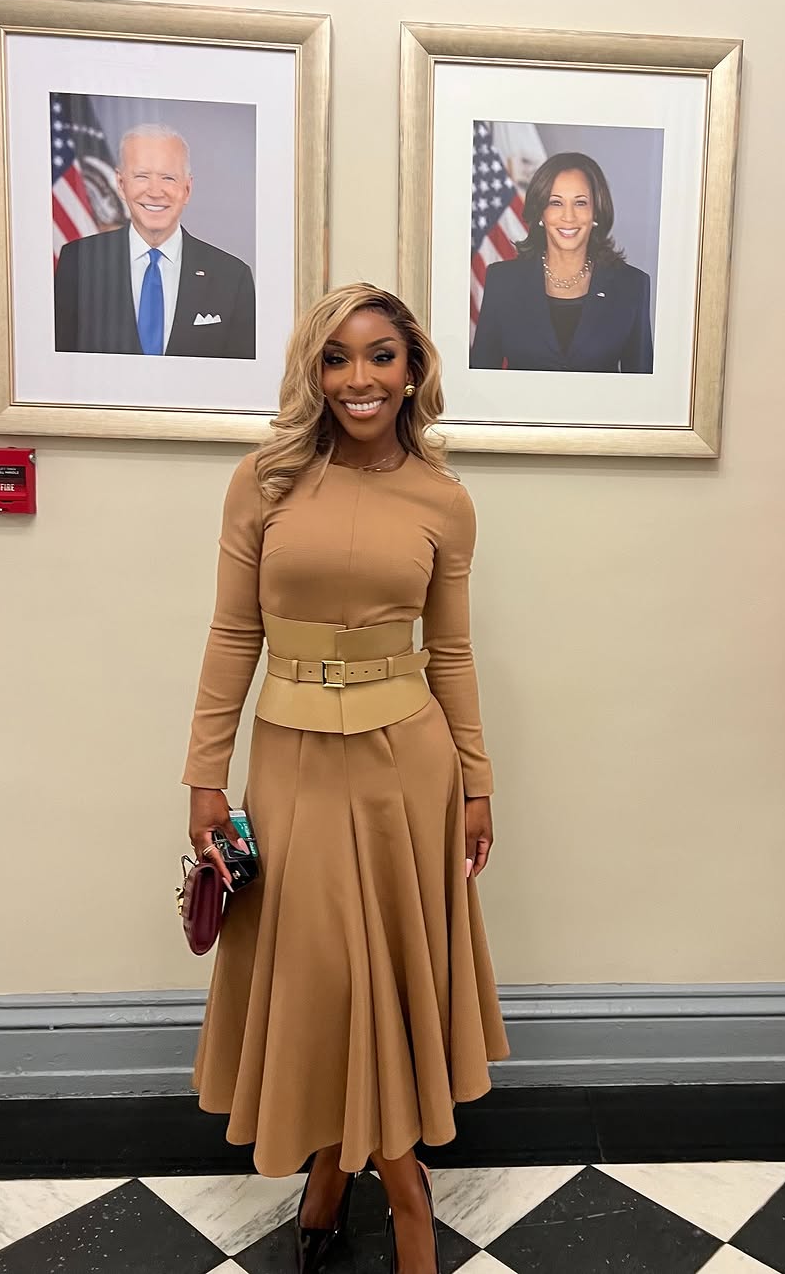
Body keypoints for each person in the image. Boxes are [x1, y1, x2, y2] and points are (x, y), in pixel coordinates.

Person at [182, 282, 508, 1274]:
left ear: (412, 370)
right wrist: (205, 771)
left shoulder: (445, 500)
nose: (357, 378)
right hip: (289, 762)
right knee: (323, 975)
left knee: (385, 977)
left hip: (408, 767)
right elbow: (235, 629)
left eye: (378, 356)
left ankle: (373, 1192)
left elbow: (448, 653)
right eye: (335, 358)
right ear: (311, 372)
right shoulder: (263, 481)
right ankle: (378, 1185)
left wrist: (478, 779)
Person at [54, 123, 255, 359]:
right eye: (141, 176)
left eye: (168, 178)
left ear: (187, 189)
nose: (155, 191)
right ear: (121, 184)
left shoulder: (232, 276)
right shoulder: (78, 263)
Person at [470, 151, 654, 373]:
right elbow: (481, 377)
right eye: (556, 203)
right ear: (540, 213)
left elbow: (641, 391)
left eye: (580, 203)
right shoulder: (502, 281)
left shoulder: (632, 285)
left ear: (595, 211)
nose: (569, 216)